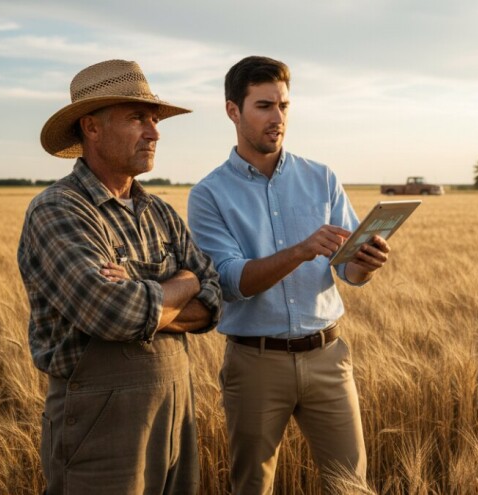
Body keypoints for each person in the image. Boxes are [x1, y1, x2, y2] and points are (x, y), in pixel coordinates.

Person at [187, 55, 391, 494]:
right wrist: (300, 251)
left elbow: (349, 270)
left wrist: (365, 263)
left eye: (283, 106)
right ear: (233, 111)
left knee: (351, 486)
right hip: (255, 363)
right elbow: (230, 282)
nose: (277, 118)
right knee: (252, 487)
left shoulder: (322, 178)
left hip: (328, 357)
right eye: (264, 106)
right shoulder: (209, 195)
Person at [17, 59, 221, 494]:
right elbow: (113, 314)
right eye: (137, 118)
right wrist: (186, 282)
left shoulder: (159, 211)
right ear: (91, 127)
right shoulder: (59, 209)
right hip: (100, 429)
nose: (154, 133)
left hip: (176, 417)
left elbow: (214, 301)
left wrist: (143, 294)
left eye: (155, 120)